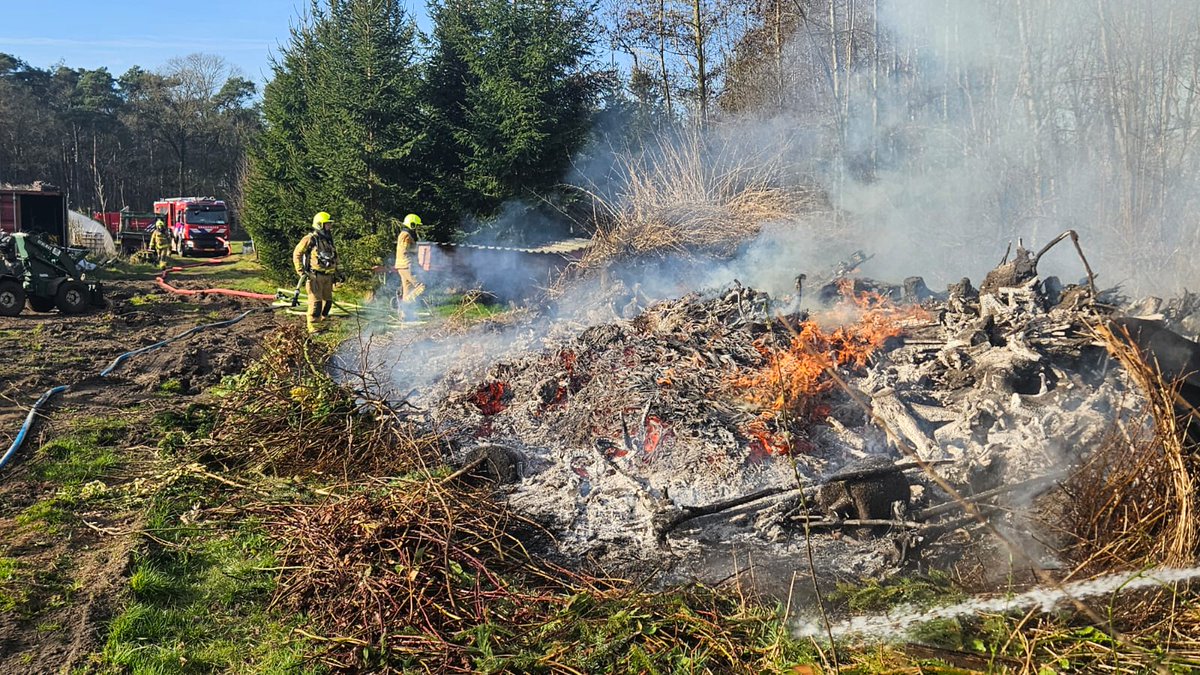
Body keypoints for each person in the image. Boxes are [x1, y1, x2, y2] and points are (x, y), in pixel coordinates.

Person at [292, 211, 339, 333]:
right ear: (319, 225)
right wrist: (301, 271)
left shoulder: (328, 240)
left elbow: (335, 258)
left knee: (327, 303)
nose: (329, 227)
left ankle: (324, 324)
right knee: (316, 304)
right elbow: (297, 253)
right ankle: (314, 328)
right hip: (315, 277)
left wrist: (339, 273)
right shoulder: (310, 239)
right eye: (327, 224)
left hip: (328, 277)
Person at [394, 213, 426, 319]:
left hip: (401, 266)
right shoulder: (406, 235)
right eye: (416, 225)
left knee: (407, 290)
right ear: (412, 224)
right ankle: (405, 303)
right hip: (407, 265)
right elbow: (405, 249)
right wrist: (416, 250)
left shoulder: (402, 234)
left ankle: (404, 316)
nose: (417, 228)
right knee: (421, 286)